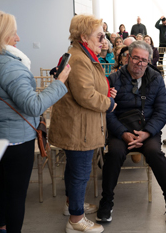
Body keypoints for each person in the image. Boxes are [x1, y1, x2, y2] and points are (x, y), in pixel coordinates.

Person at [0, 10, 70, 233]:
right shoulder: (11, 66)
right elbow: (33, 106)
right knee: (16, 196)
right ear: (0, 35)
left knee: (1, 185)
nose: (18, 38)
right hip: (16, 140)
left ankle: (3, 227)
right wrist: (60, 81)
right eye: (13, 33)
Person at [97, 41, 166, 224]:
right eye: (135, 58)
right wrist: (122, 133)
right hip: (121, 128)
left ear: (149, 60)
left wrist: (148, 132)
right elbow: (107, 111)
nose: (139, 63)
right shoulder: (114, 79)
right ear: (128, 57)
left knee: (155, 153)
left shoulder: (156, 78)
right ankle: (106, 201)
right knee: (115, 153)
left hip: (147, 128)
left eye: (144, 60)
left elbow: (162, 110)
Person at [48, 14, 117, 233]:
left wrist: (106, 91)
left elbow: (88, 86)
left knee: (74, 169)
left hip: (79, 124)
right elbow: (85, 95)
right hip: (79, 128)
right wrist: (109, 103)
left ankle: (72, 205)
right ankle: (76, 220)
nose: (103, 40)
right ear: (84, 36)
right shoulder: (79, 58)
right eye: (100, 35)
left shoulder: (81, 54)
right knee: (80, 172)